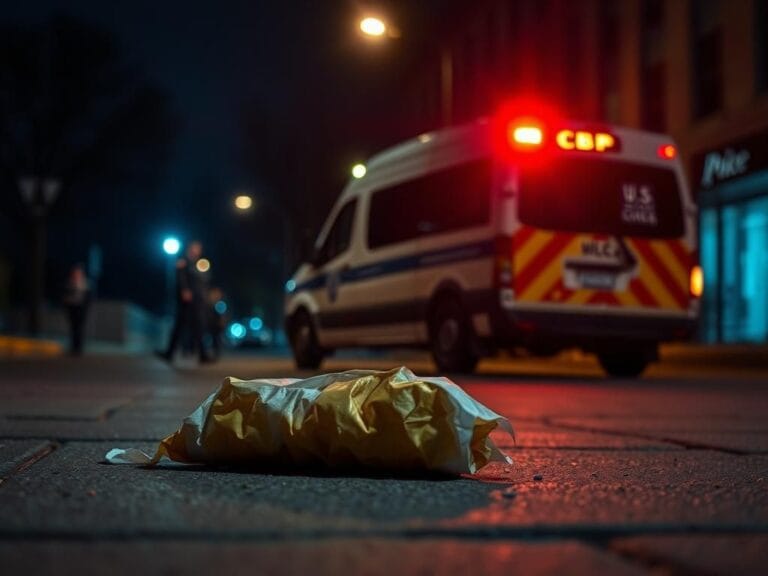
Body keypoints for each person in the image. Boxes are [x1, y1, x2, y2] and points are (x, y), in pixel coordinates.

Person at [159, 241, 212, 364]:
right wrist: (184, 289)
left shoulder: (200, 263)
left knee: (198, 326)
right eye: (195, 248)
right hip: (187, 300)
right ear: (190, 248)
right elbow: (180, 276)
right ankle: (169, 353)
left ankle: (202, 355)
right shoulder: (183, 261)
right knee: (180, 325)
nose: (197, 250)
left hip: (198, 301)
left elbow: (204, 280)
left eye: (199, 248)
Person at [62, 264, 91, 356]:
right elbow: (64, 296)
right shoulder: (69, 283)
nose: (76, 274)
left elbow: (88, 299)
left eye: (78, 273)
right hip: (72, 308)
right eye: (75, 273)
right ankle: (73, 347)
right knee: (73, 328)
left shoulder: (85, 284)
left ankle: (79, 348)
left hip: (81, 310)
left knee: (79, 328)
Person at [206, 287, 226, 360]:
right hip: (212, 325)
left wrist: (222, 322)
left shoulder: (219, 304)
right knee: (214, 339)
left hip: (217, 325)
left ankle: (216, 354)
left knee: (217, 339)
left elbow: (222, 315)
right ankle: (214, 353)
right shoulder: (209, 304)